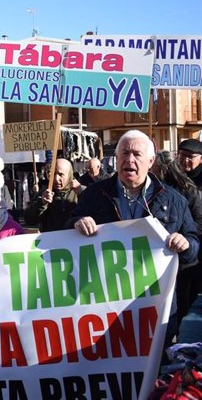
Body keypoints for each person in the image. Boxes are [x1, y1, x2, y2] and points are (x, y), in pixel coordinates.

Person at [69, 130, 199, 349]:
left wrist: (185, 244)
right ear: (116, 159)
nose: (130, 159)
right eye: (125, 153)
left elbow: (193, 246)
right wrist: (77, 222)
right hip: (105, 310)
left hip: (155, 311)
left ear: (150, 161)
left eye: (137, 154)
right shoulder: (93, 195)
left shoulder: (173, 200)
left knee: (154, 377)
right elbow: (66, 228)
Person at [151, 150, 202, 323]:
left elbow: (199, 222)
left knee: (181, 307)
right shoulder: (153, 190)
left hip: (184, 262)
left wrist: (181, 238)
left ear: (162, 169)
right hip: (160, 260)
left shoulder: (188, 191)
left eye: (154, 167)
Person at [24, 158, 82, 232]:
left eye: (61, 175)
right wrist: (41, 203)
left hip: (76, 240)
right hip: (51, 241)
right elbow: (29, 220)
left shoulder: (80, 190)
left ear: (69, 175)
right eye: (53, 174)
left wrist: (82, 195)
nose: (56, 178)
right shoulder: (44, 193)